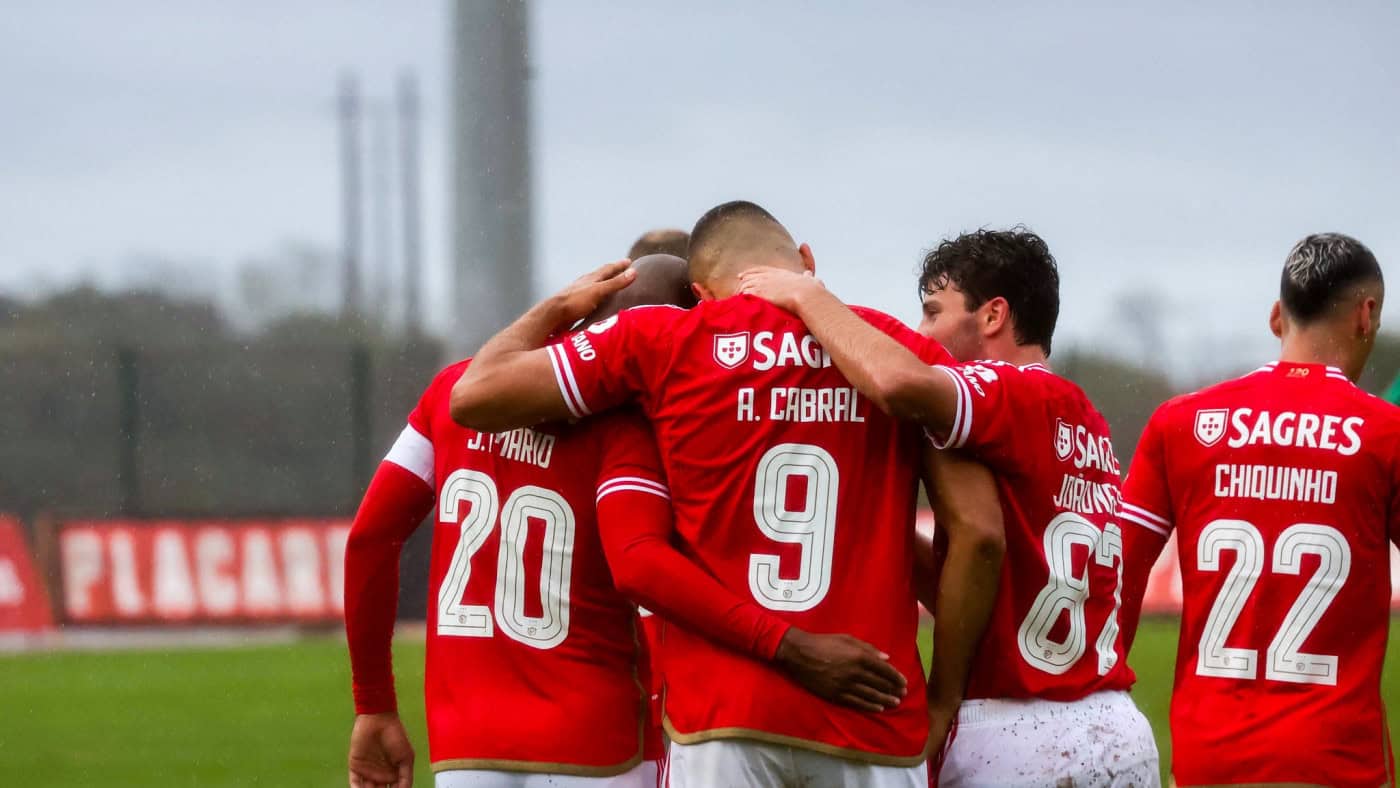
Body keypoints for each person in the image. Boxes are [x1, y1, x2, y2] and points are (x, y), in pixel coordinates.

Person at [451, 201, 1005, 788]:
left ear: (700, 291)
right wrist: (944, 697)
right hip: (872, 714)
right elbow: (980, 535)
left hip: (724, 720)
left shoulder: (662, 339)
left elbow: (475, 395)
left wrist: (562, 304)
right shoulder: (897, 350)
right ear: (807, 262)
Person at [343, 255, 895, 788]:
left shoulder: (451, 392)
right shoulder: (629, 427)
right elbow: (640, 563)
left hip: (467, 749)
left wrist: (373, 706)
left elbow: (370, 539)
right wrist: (788, 645)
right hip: (598, 746)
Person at [737, 227, 1159, 786]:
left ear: (992, 317)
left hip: (1016, 729)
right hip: (1114, 724)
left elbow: (896, 382)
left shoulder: (1010, 392)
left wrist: (809, 297)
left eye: (933, 312)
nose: (920, 331)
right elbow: (1008, 578)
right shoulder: (1081, 416)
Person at [1117, 233, 1397, 787]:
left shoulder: (1180, 423)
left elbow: (1117, 571)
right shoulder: (1386, 434)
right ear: (1366, 316)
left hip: (1208, 761)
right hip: (1335, 763)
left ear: (1277, 316)